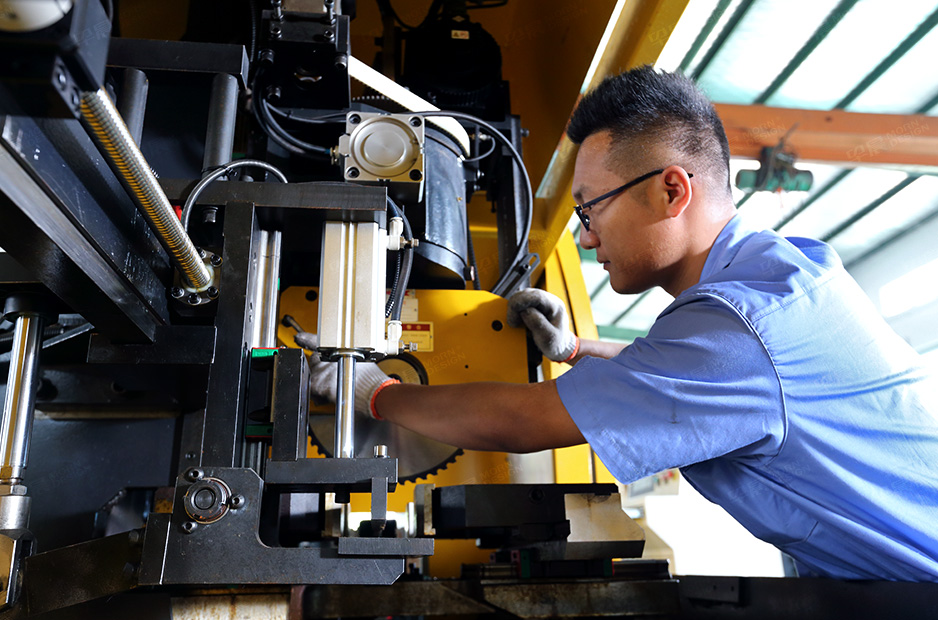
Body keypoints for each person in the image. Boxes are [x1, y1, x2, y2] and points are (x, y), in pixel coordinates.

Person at [303, 66, 938, 581]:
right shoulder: (781, 275)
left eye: (590, 208)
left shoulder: (743, 328)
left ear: (671, 191)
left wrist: (376, 393)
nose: (582, 236)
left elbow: (527, 420)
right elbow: (700, 375)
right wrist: (578, 349)